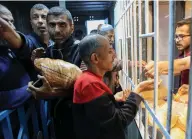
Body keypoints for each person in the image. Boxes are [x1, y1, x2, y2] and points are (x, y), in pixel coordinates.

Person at [73, 34, 154, 139]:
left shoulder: (89, 79)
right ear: (95, 58)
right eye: (109, 51)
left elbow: (97, 113)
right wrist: (137, 92)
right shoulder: (90, 84)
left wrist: (113, 99)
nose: (114, 56)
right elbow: (119, 122)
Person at [28, 6, 81, 139]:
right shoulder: (48, 51)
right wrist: (36, 67)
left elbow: (89, 87)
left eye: (62, 25)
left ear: (71, 27)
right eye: (52, 25)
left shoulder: (83, 49)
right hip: (58, 115)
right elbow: (46, 81)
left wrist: (53, 93)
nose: (56, 30)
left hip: (81, 115)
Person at [0, 4, 31, 110]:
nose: (11, 27)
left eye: (12, 22)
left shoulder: (7, 49)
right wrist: (30, 90)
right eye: (4, 22)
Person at [145, 18, 192, 86]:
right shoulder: (183, 52)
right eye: (176, 36)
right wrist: (156, 67)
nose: (177, 40)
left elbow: (184, 64)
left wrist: (160, 66)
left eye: (181, 36)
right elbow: (180, 69)